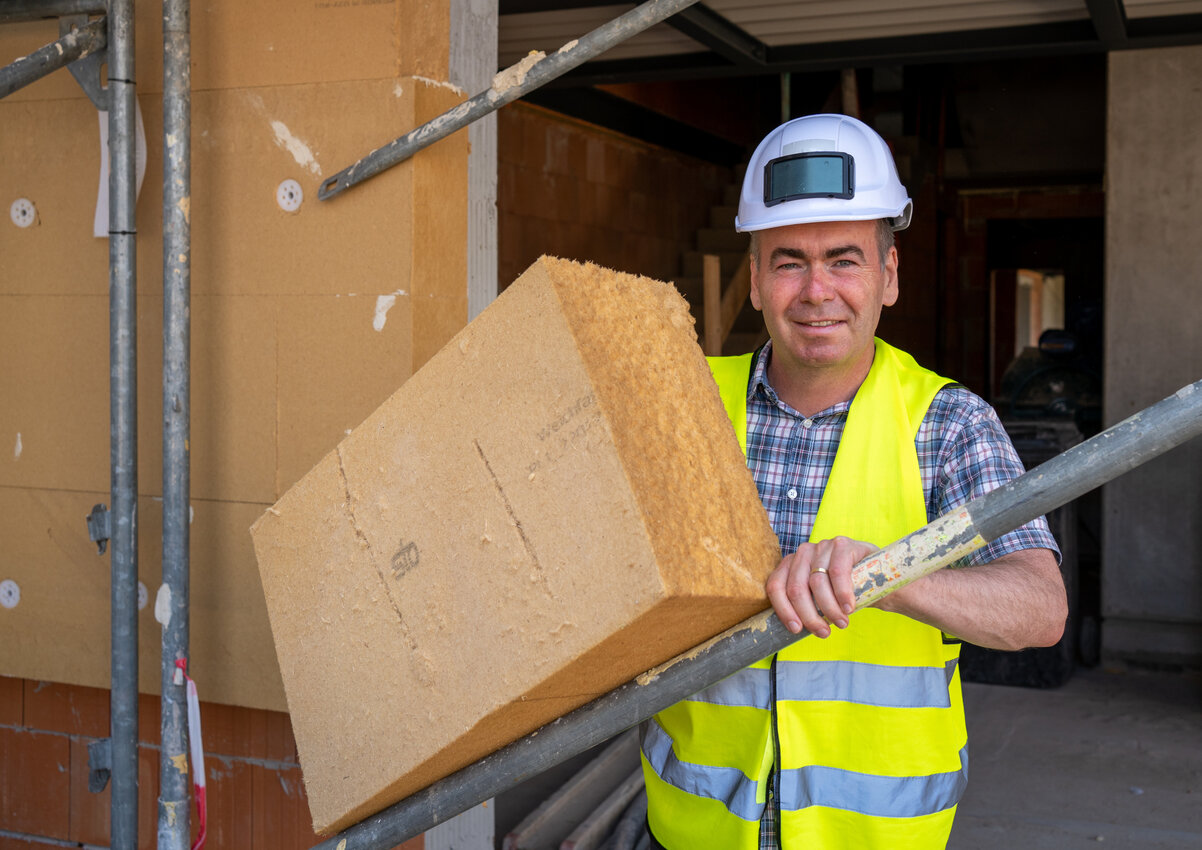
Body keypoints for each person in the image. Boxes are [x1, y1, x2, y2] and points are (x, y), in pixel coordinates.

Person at [640, 114, 1068, 849]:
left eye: (844, 260)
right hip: (693, 829)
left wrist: (888, 577)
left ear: (888, 276)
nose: (817, 291)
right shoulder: (683, 404)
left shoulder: (947, 424)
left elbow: (1040, 609)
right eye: (788, 263)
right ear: (755, 281)